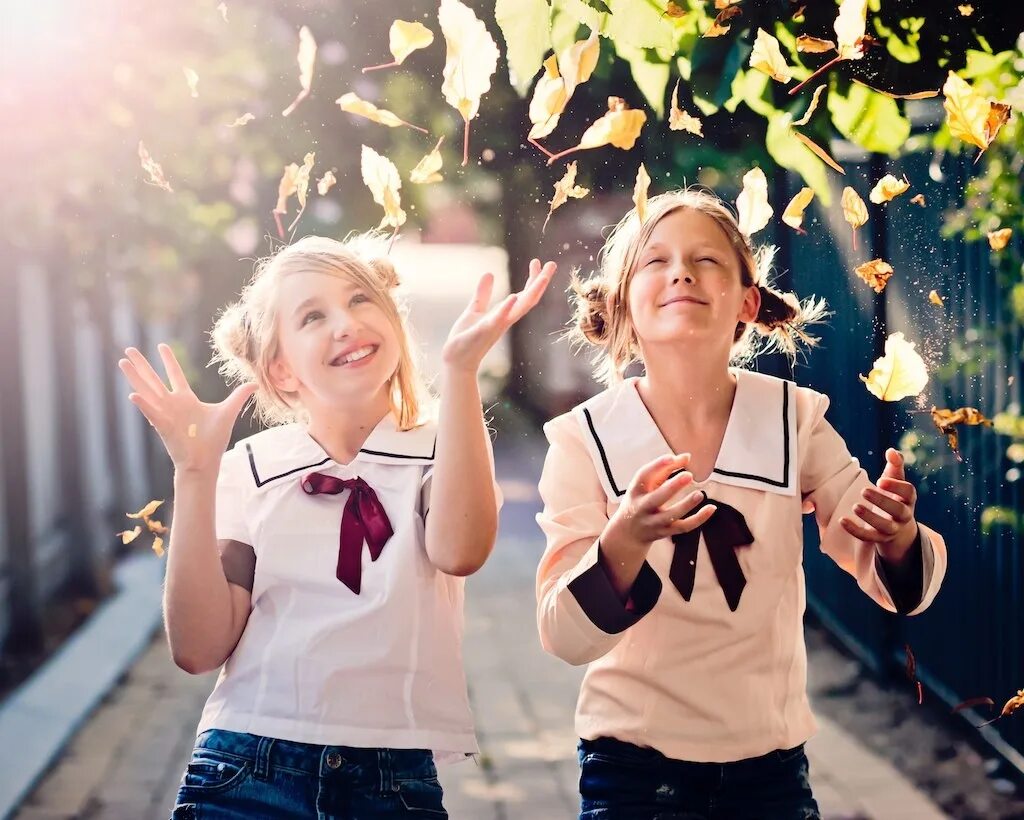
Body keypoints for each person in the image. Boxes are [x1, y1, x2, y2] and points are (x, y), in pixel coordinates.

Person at [534, 188, 947, 819]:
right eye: (656, 260)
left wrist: (894, 535)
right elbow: (563, 635)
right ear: (622, 303)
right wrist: (624, 540)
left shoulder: (794, 418)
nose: (682, 272)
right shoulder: (581, 439)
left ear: (746, 302)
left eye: (708, 260)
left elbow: (899, 585)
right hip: (632, 769)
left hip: (769, 768)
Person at [118, 233, 555, 819]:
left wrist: (460, 372)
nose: (345, 323)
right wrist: (194, 474)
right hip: (248, 765)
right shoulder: (249, 467)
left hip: (392, 779)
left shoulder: (444, 450)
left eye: (359, 300)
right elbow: (198, 650)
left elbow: (460, 551)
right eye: (313, 316)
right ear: (281, 368)